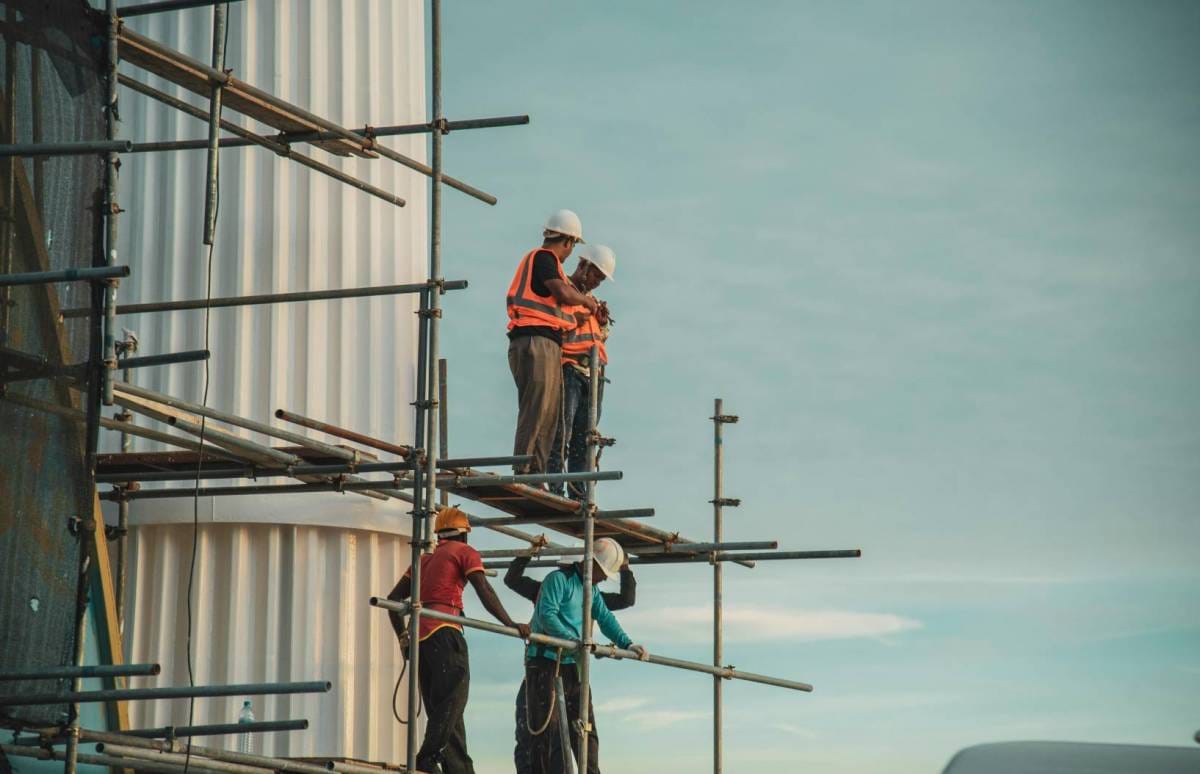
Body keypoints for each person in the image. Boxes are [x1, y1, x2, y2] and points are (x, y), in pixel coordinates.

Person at [386, 506, 531, 774]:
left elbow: (393, 602)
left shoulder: (424, 560)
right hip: (445, 630)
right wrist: (510, 623)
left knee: (444, 710)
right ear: (464, 534)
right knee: (454, 700)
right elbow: (484, 589)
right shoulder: (464, 552)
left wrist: (403, 638)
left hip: (420, 639)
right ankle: (426, 757)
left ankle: (459, 769)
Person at [523, 538, 648, 774]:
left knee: (586, 733)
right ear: (593, 564)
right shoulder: (558, 580)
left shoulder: (591, 590)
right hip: (546, 663)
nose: (603, 578)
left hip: (573, 666)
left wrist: (627, 643)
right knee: (545, 733)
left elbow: (605, 618)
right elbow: (547, 615)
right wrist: (575, 641)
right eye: (603, 573)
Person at [507, 210, 600, 475]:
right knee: (536, 408)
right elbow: (562, 292)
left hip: (545, 342)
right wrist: (585, 301)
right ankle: (523, 470)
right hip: (534, 340)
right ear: (569, 242)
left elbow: (562, 307)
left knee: (548, 413)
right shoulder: (544, 258)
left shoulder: (551, 267)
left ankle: (536, 473)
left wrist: (588, 310)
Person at [546, 245, 616, 498]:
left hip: (593, 375)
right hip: (569, 369)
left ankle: (578, 492)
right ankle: (555, 487)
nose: (597, 282)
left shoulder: (591, 301)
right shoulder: (563, 290)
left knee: (584, 439)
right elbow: (557, 326)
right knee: (561, 431)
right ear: (583, 266)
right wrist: (585, 317)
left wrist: (603, 322)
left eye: (601, 278)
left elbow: (598, 338)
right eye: (596, 274)